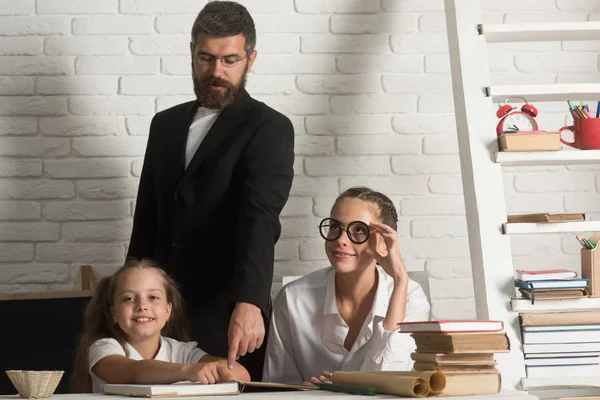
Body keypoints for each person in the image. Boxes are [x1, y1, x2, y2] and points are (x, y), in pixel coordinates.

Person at [126, 1, 294, 381]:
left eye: (229, 60)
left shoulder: (269, 128)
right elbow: (146, 219)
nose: (216, 72)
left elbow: (259, 218)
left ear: (250, 59)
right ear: (191, 52)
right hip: (154, 314)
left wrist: (251, 302)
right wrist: (126, 299)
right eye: (206, 58)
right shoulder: (164, 125)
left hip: (224, 312)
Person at [262, 187, 431, 384]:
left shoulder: (410, 297)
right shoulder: (292, 299)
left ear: (384, 242)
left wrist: (401, 278)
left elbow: (393, 378)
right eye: (335, 226)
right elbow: (277, 386)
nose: (340, 240)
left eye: (359, 230)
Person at [71, 259, 250, 393]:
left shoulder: (184, 352)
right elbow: (134, 372)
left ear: (168, 311)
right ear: (114, 313)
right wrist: (189, 371)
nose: (142, 306)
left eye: (153, 297)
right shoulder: (104, 348)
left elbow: (241, 375)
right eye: (129, 298)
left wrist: (220, 372)